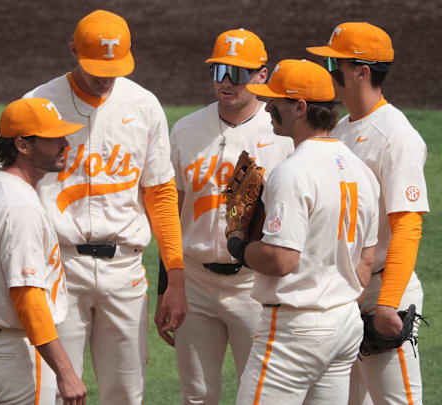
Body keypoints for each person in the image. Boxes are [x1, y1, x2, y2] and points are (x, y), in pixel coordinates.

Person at [23, 9, 186, 403]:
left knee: (127, 394)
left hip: (124, 270)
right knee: (53, 392)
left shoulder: (144, 105)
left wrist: (175, 276)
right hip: (58, 268)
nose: (105, 75)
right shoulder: (39, 104)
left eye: (114, 66)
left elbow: (160, 193)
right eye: (95, 65)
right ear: (72, 51)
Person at [230, 59, 380, 404]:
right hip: (343, 324)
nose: (266, 108)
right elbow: (366, 259)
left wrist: (238, 244)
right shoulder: (359, 169)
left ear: (299, 108)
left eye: (275, 101)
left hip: (294, 332)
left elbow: (281, 260)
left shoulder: (293, 172)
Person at [156, 28, 294, 404]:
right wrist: (167, 287)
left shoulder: (282, 135)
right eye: (219, 71)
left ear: (262, 75)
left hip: (255, 286)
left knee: (262, 396)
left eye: (239, 72)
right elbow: (171, 214)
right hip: (195, 283)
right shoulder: (185, 130)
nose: (227, 82)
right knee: (196, 396)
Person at [307, 22, 429, 405]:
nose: (328, 72)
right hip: (343, 294)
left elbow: (407, 225)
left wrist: (388, 303)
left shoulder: (397, 136)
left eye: (334, 63)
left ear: (361, 71)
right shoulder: (341, 129)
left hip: (382, 292)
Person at [0, 97, 87, 405]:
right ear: (23, 146)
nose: (65, 143)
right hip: (16, 352)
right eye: (53, 138)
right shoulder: (19, 207)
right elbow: (27, 295)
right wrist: (66, 371)